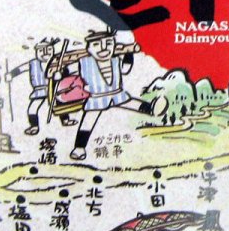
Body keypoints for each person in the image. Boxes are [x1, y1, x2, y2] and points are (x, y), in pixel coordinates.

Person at [66, 30, 167, 161]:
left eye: (108, 43)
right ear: (89, 48)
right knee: (88, 121)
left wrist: (129, 53)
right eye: (96, 44)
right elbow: (67, 71)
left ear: (114, 45)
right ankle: (79, 148)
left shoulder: (115, 60)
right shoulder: (83, 62)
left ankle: (152, 109)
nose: (103, 48)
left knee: (132, 102)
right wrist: (59, 73)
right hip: (97, 98)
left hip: (117, 94)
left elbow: (125, 69)